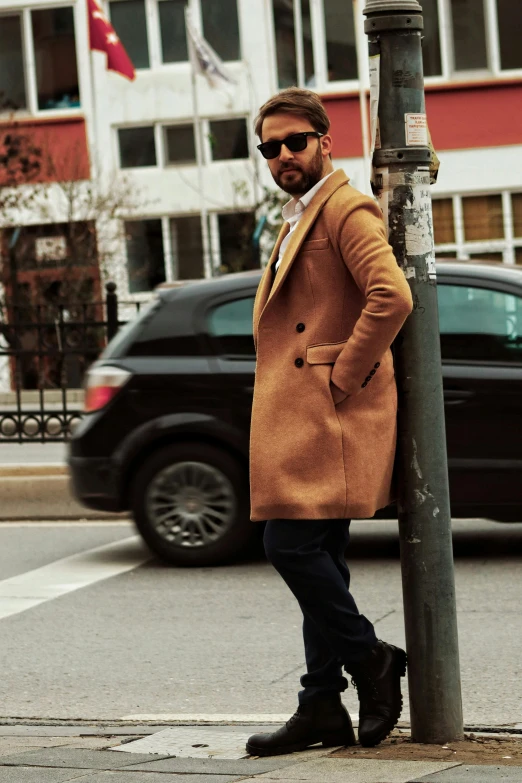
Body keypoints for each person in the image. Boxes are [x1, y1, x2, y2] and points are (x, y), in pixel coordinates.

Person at [246, 88, 414, 756]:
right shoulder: (299, 214)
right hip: (312, 418)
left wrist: (344, 375)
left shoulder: (345, 206)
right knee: (324, 558)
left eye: (295, 142)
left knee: (287, 545)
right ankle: (320, 704)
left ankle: (373, 659)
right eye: (271, 147)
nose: (283, 155)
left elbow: (391, 294)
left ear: (325, 140)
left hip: (327, 416)